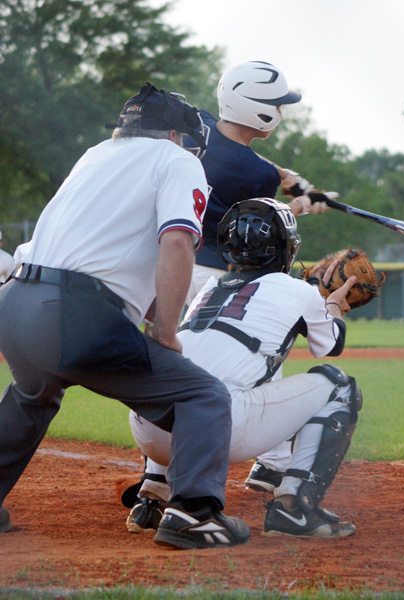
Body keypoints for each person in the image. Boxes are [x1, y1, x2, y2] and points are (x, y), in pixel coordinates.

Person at [0, 83, 250, 549]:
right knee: (203, 396)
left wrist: (151, 316)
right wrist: (166, 331)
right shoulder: (176, 160)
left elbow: (121, 256)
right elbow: (176, 243)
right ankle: (193, 514)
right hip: (73, 313)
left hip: (14, 302)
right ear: (173, 135)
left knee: (33, 396)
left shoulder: (95, 155)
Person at [126, 198, 362, 540]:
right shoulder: (298, 290)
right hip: (217, 430)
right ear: (285, 248)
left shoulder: (209, 288)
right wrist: (332, 305)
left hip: (148, 428)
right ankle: (294, 507)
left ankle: (152, 496)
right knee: (339, 386)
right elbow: (330, 345)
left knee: (187, 374)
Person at [182, 60, 332, 489]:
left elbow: (233, 150)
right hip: (221, 276)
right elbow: (263, 221)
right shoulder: (256, 174)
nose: (280, 112)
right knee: (263, 356)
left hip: (174, 266)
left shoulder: (200, 125)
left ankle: (159, 472)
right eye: (276, 105)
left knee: (183, 362)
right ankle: (273, 464)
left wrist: (289, 176)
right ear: (257, 110)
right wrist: (304, 204)